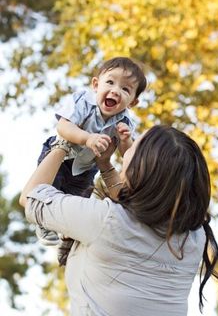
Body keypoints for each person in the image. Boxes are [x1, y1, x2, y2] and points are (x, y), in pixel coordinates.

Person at [20, 124, 218, 316]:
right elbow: (136, 219)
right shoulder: (196, 238)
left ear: (144, 167)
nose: (130, 145)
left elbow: (31, 197)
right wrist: (105, 166)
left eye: (137, 144)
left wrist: (63, 142)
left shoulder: (103, 220)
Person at [36, 56, 147, 247]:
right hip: (60, 158)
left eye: (125, 89)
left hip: (86, 169)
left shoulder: (125, 122)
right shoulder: (82, 101)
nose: (115, 90)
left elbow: (127, 155)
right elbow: (63, 127)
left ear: (132, 102)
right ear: (96, 84)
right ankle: (44, 221)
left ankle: (69, 234)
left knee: (78, 202)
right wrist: (87, 138)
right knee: (48, 190)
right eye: (110, 82)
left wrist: (126, 140)